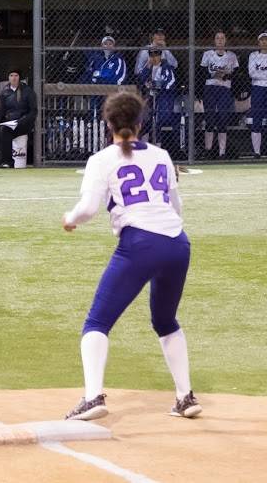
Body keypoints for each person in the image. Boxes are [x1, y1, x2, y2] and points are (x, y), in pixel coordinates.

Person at [61, 90, 201, 421]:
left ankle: (93, 397)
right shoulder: (162, 155)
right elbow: (176, 207)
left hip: (139, 244)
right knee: (165, 321)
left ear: (107, 123)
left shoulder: (102, 160)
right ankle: (185, 397)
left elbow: (88, 209)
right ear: (141, 122)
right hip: (178, 244)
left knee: (97, 322)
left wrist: (70, 219)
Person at [0, 69, 37, 168]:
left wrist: (22, 121)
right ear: (8, 78)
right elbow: (2, 111)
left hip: (22, 123)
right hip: (9, 121)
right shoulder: (5, 92)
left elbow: (33, 111)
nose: (14, 78)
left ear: (20, 78)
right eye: (11, 75)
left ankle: (6, 162)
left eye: (16, 75)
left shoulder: (28, 91)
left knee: (5, 130)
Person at [199, 31, 238, 158]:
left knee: (222, 119)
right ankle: (208, 150)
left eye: (222, 38)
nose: (220, 40)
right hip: (210, 87)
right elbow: (201, 72)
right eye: (217, 38)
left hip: (224, 88)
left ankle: (222, 152)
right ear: (214, 40)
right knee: (209, 119)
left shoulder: (231, 56)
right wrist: (213, 74)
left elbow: (236, 74)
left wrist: (225, 75)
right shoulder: (208, 54)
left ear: (225, 40)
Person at [137, 44, 178, 152]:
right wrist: (147, 67)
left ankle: (158, 149)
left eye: (157, 54)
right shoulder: (147, 68)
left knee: (157, 120)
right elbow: (140, 80)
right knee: (144, 120)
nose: (154, 57)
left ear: (161, 55)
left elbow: (170, 83)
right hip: (149, 98)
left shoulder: (166, 67)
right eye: (151, 54)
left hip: (163, 98)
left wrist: (157, 84)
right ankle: (143, 148)